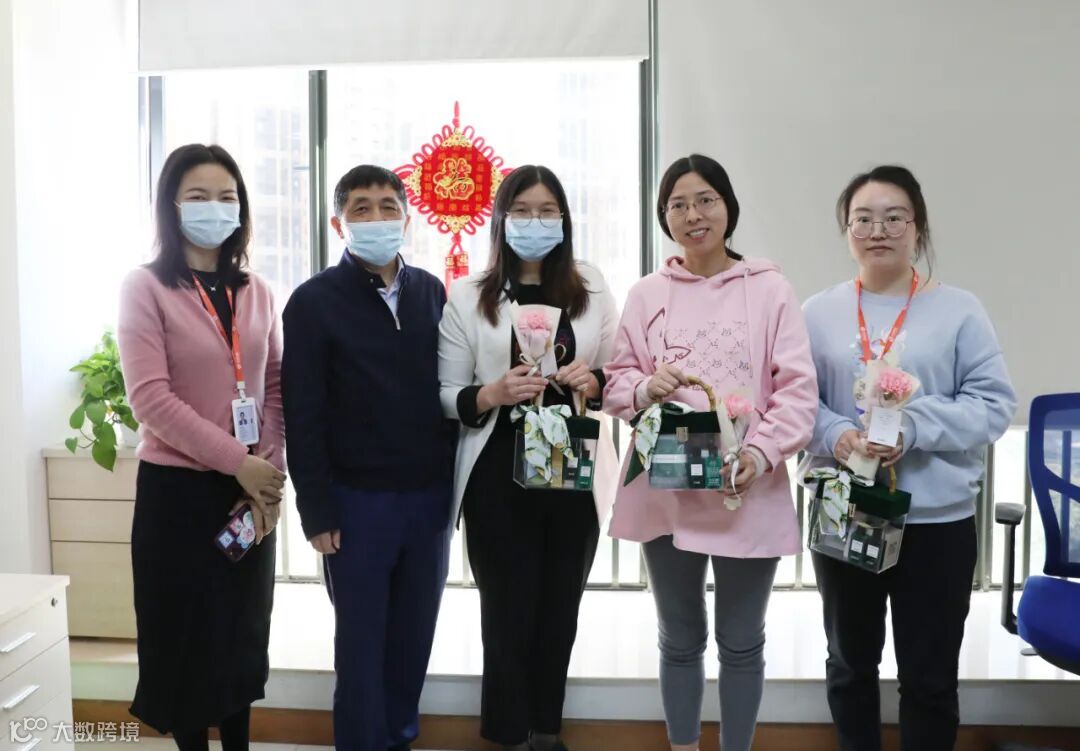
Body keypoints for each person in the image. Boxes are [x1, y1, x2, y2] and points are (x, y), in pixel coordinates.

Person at [602, 154, 818, 751]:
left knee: (742, 642)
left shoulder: (770, 290)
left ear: (728, 207)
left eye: (705, 200)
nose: (693, 215)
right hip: (665, 487)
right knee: (678, 639)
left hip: (744, 486)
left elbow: (798, 392)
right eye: (678, 204)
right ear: (664, 217)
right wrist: (646, 387)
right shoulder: (647, 294)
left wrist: (760, 454)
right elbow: (617, 383)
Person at [801, 165, 1016, 751]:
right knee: (849, 664)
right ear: (847, 230)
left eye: (894, 218)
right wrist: (837, 435)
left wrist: (915, 428)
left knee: (929, 677)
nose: (879, 230)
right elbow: (795, 402)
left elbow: (993, 405)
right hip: (846, 508)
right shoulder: (817, 312)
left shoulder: (959, 310)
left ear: (918, 228)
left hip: (937, 520)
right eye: (863, 219)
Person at [438, 165, 619, 751]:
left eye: (547, 211)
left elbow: (619, 373)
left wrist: (593, 380)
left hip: (572, 466)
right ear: (500, 219)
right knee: (506, 613)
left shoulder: (591, 288)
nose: (534, 222)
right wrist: (492, 392)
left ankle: (547, 731)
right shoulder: (469, 295)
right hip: (497, 472)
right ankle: (508, 734)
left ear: (564, 220)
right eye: (521, 211)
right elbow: (446, 394)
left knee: (560, 609)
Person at [282, 165, 457, 751]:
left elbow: (447, 388)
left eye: (388, 206)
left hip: (428, 500)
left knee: (412, 640)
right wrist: (316, 510)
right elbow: (303, 413)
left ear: (406, 218)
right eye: (361, 208)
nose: (377, 217)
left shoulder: (432, 291)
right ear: (339, 224)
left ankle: (399, 738)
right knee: (360, 647)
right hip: (356, 504)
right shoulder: (312, 302)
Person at [118, 143, 286, 751]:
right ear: (171, 205)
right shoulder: (145, 288)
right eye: (198, 196)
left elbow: (274, 385)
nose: (214, 208)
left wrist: (269, 471)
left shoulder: (257, 290)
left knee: (241, 639)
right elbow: (151, 399)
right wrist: (239, 462)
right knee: (184, 641)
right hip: (179, 496)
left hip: (249, 494)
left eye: (226, 197)